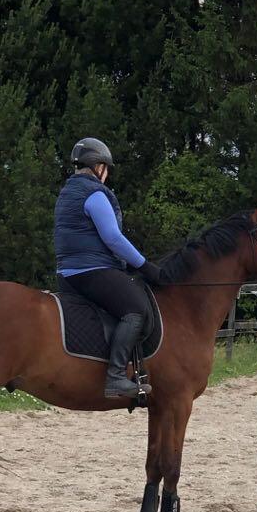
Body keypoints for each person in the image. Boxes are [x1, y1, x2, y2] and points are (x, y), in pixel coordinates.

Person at [54, 137, 163, 398]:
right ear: (98, 166)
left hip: (66, 274)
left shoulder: (66, 193)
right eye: (107, 168)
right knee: (136, 309)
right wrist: (145, 266)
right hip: (92, 271)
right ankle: (115, 377)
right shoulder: (94, 194)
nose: (107, 174)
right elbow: (113, 238)